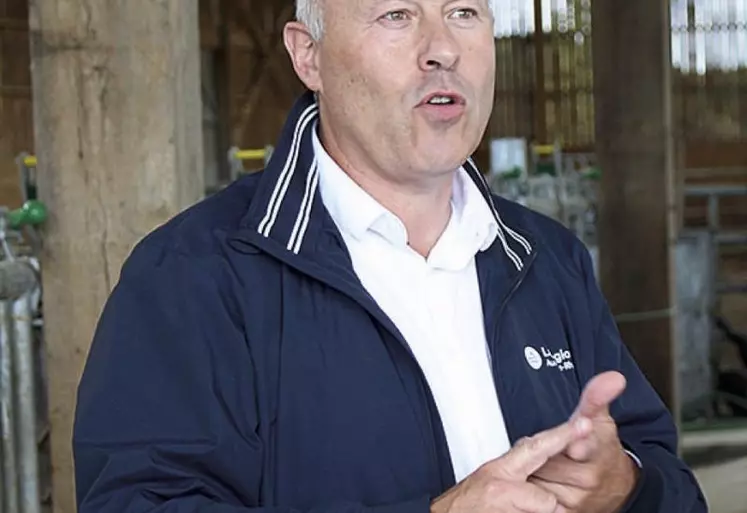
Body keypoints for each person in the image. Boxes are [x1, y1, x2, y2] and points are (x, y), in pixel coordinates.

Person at [72, 0, 707, 512]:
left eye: (464, 13)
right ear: (308, 55)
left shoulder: (547, 259)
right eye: (396, 15)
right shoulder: (196, 274)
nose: (443, 49)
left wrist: (626, 484)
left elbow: (673, 483)